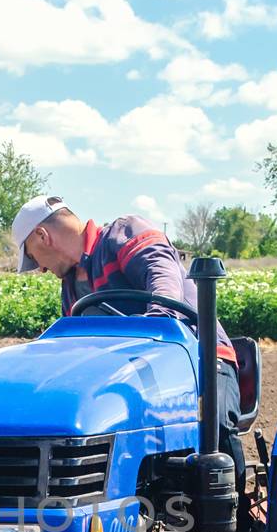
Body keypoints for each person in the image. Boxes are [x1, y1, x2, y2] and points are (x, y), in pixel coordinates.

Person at [12, 195, 244, 472]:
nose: (41, 268)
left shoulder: (123, 234)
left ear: (42, 235)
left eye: (31, 256)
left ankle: (237, 512)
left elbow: (162, 276)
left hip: (198, 356)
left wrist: (156, 320)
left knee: (214, 426)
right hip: (129, 373)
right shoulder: (71, 287)